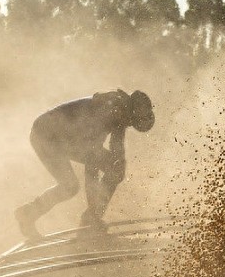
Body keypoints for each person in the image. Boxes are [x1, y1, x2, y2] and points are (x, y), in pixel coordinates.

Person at [15, 89, 154, 239]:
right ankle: (87, 220)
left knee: (111, 169)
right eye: (130, 121)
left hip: (56, 136)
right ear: (129, 112)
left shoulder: (121, 110)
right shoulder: (108, 112)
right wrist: (92, 219)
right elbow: (91, 168)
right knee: (70, 186)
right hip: (45, 135)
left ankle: (29, 213)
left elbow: (117, 156)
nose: (128, 125)